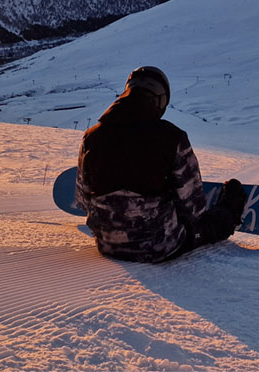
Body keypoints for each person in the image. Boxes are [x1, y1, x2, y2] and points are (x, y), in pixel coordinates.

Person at [77, 66, 246, 262]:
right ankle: (231, 212)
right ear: (160, 100)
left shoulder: (91, 137)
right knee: (207, 226)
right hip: (159, 246)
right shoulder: (171, 137)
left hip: (106, 245)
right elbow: (195, 207)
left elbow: (82, 199)